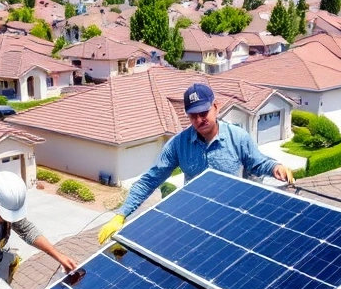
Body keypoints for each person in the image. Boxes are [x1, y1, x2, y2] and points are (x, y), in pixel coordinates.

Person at [98, 82, 296, 244]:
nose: (200, 120)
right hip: (194, 220)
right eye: (193, 116)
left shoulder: (238, 137)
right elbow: (150, 180)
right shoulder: (179, 144)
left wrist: (275, 167)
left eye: (204, 113)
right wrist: (121, 214)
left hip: (232, 218)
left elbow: (258, 163)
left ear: (216, 107)